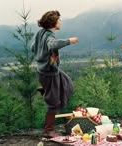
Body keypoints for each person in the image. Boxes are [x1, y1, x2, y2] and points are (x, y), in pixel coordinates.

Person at [31, 10, 79, 138]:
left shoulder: (40, 33)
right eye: (59, 20)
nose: (60, 21)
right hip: (49, 73)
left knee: (67, 82)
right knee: (53, 103)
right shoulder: (49, 36)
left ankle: (46, 89)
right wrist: (69, 41)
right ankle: (49, 130)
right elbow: (52, 45)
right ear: (53, 23)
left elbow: (32, 47)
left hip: (45, 70)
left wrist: (40, 56)